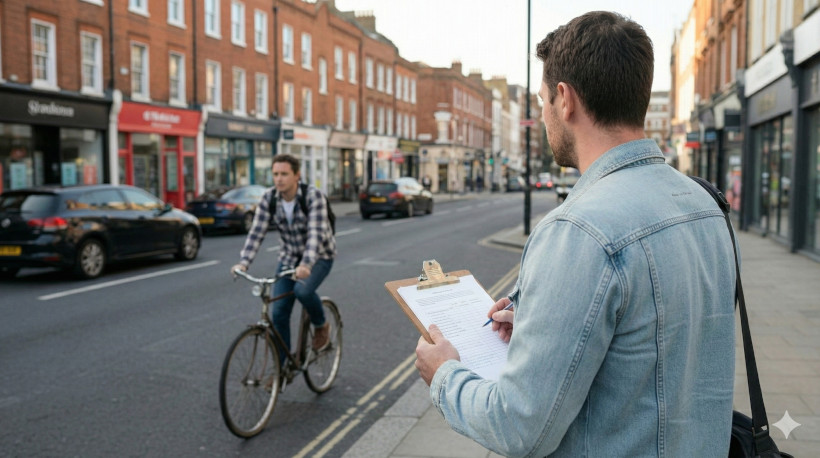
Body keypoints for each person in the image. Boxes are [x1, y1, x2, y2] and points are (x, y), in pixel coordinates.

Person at [415, 11, 736, 457]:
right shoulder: (705, 205)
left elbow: (519, 426)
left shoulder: (579, 231)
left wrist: (445, 375)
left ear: (565, 100)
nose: (545, 115)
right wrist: (542, 319)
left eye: (544, 100)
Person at [232, 154, 336, 360]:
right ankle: (283, 367)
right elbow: (256, 233)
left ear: (297, 175)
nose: (279, 179)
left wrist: (306, 264)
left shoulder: (312, 196)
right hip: (288, 259)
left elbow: (315, 235)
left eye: (284, 174)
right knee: (278, 312)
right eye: (275, 174)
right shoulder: (269, 198)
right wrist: (244, 262)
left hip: (319, 256)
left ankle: (321, 325)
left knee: (302, 291)